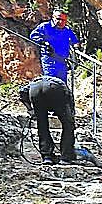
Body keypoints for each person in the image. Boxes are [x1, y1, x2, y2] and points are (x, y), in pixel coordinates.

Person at [23, 9, 80, 165]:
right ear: (52, 18)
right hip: (50, 67)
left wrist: (75, 52)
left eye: (63, 20)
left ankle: (49, 155)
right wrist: (44, 42)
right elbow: (33, 36)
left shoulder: (67, 31)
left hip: (62, 66)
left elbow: (76, 44)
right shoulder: (44, 28)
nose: (60, 22)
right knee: (64, 118)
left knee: (59, 92)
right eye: (58, 19)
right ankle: (62, 155)